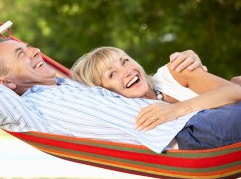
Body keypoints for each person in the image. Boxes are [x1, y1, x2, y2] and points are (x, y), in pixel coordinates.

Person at [0, 38, 241, 153]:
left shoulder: (70, 86)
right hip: (188, 134)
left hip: (199, 118)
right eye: (21, 54)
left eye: (29, 47)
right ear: (5, 84)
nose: (36, 51)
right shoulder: (29, 113)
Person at [71, 47, 241, 132]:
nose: (127, 70)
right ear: (104, 91)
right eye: (112, 73)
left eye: (125, 61)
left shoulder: (173, 72)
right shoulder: (130, 122)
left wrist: (176, 109)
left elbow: (235, 91)